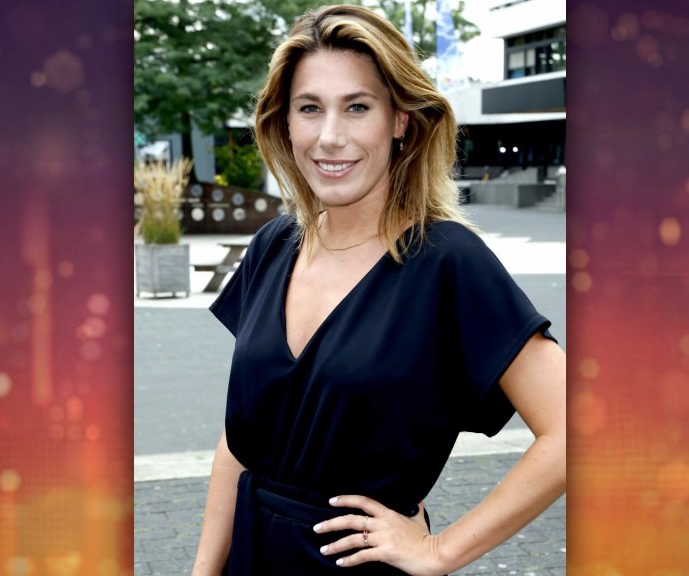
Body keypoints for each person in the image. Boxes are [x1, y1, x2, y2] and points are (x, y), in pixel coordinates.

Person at [192, 5, 565, 575]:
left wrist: (440, 550)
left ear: (401, 120)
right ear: (285, 123)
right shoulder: (273, 245)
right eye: (309, 108)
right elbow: (242, 438)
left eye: (358, 107)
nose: (330, 137)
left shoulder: (447, 262)